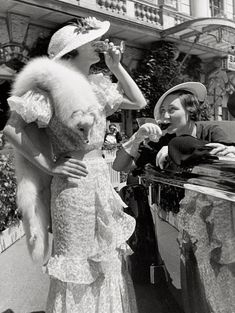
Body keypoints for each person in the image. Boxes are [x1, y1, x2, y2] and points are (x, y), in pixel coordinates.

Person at [3, 16, 146, 313]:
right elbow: (11, 130)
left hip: (100, 180)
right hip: (71, 186)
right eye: (92, 40)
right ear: (75, 49)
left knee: (106, 253)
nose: (100, 43)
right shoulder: (48, 88)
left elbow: (138, 101)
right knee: (76, 259)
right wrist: (50, 165)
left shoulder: (99, 86)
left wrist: (116, 67)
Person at [113, 82, 235, 313]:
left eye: (172, 109)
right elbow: (122, 166)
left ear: (190, 111)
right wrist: (137, 138)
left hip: (217, 224)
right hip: (174, 218)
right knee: (186, 275)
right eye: (164, 111)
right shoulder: (161, 141)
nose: (166, 115)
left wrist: (179, 148)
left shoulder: (212, 130)